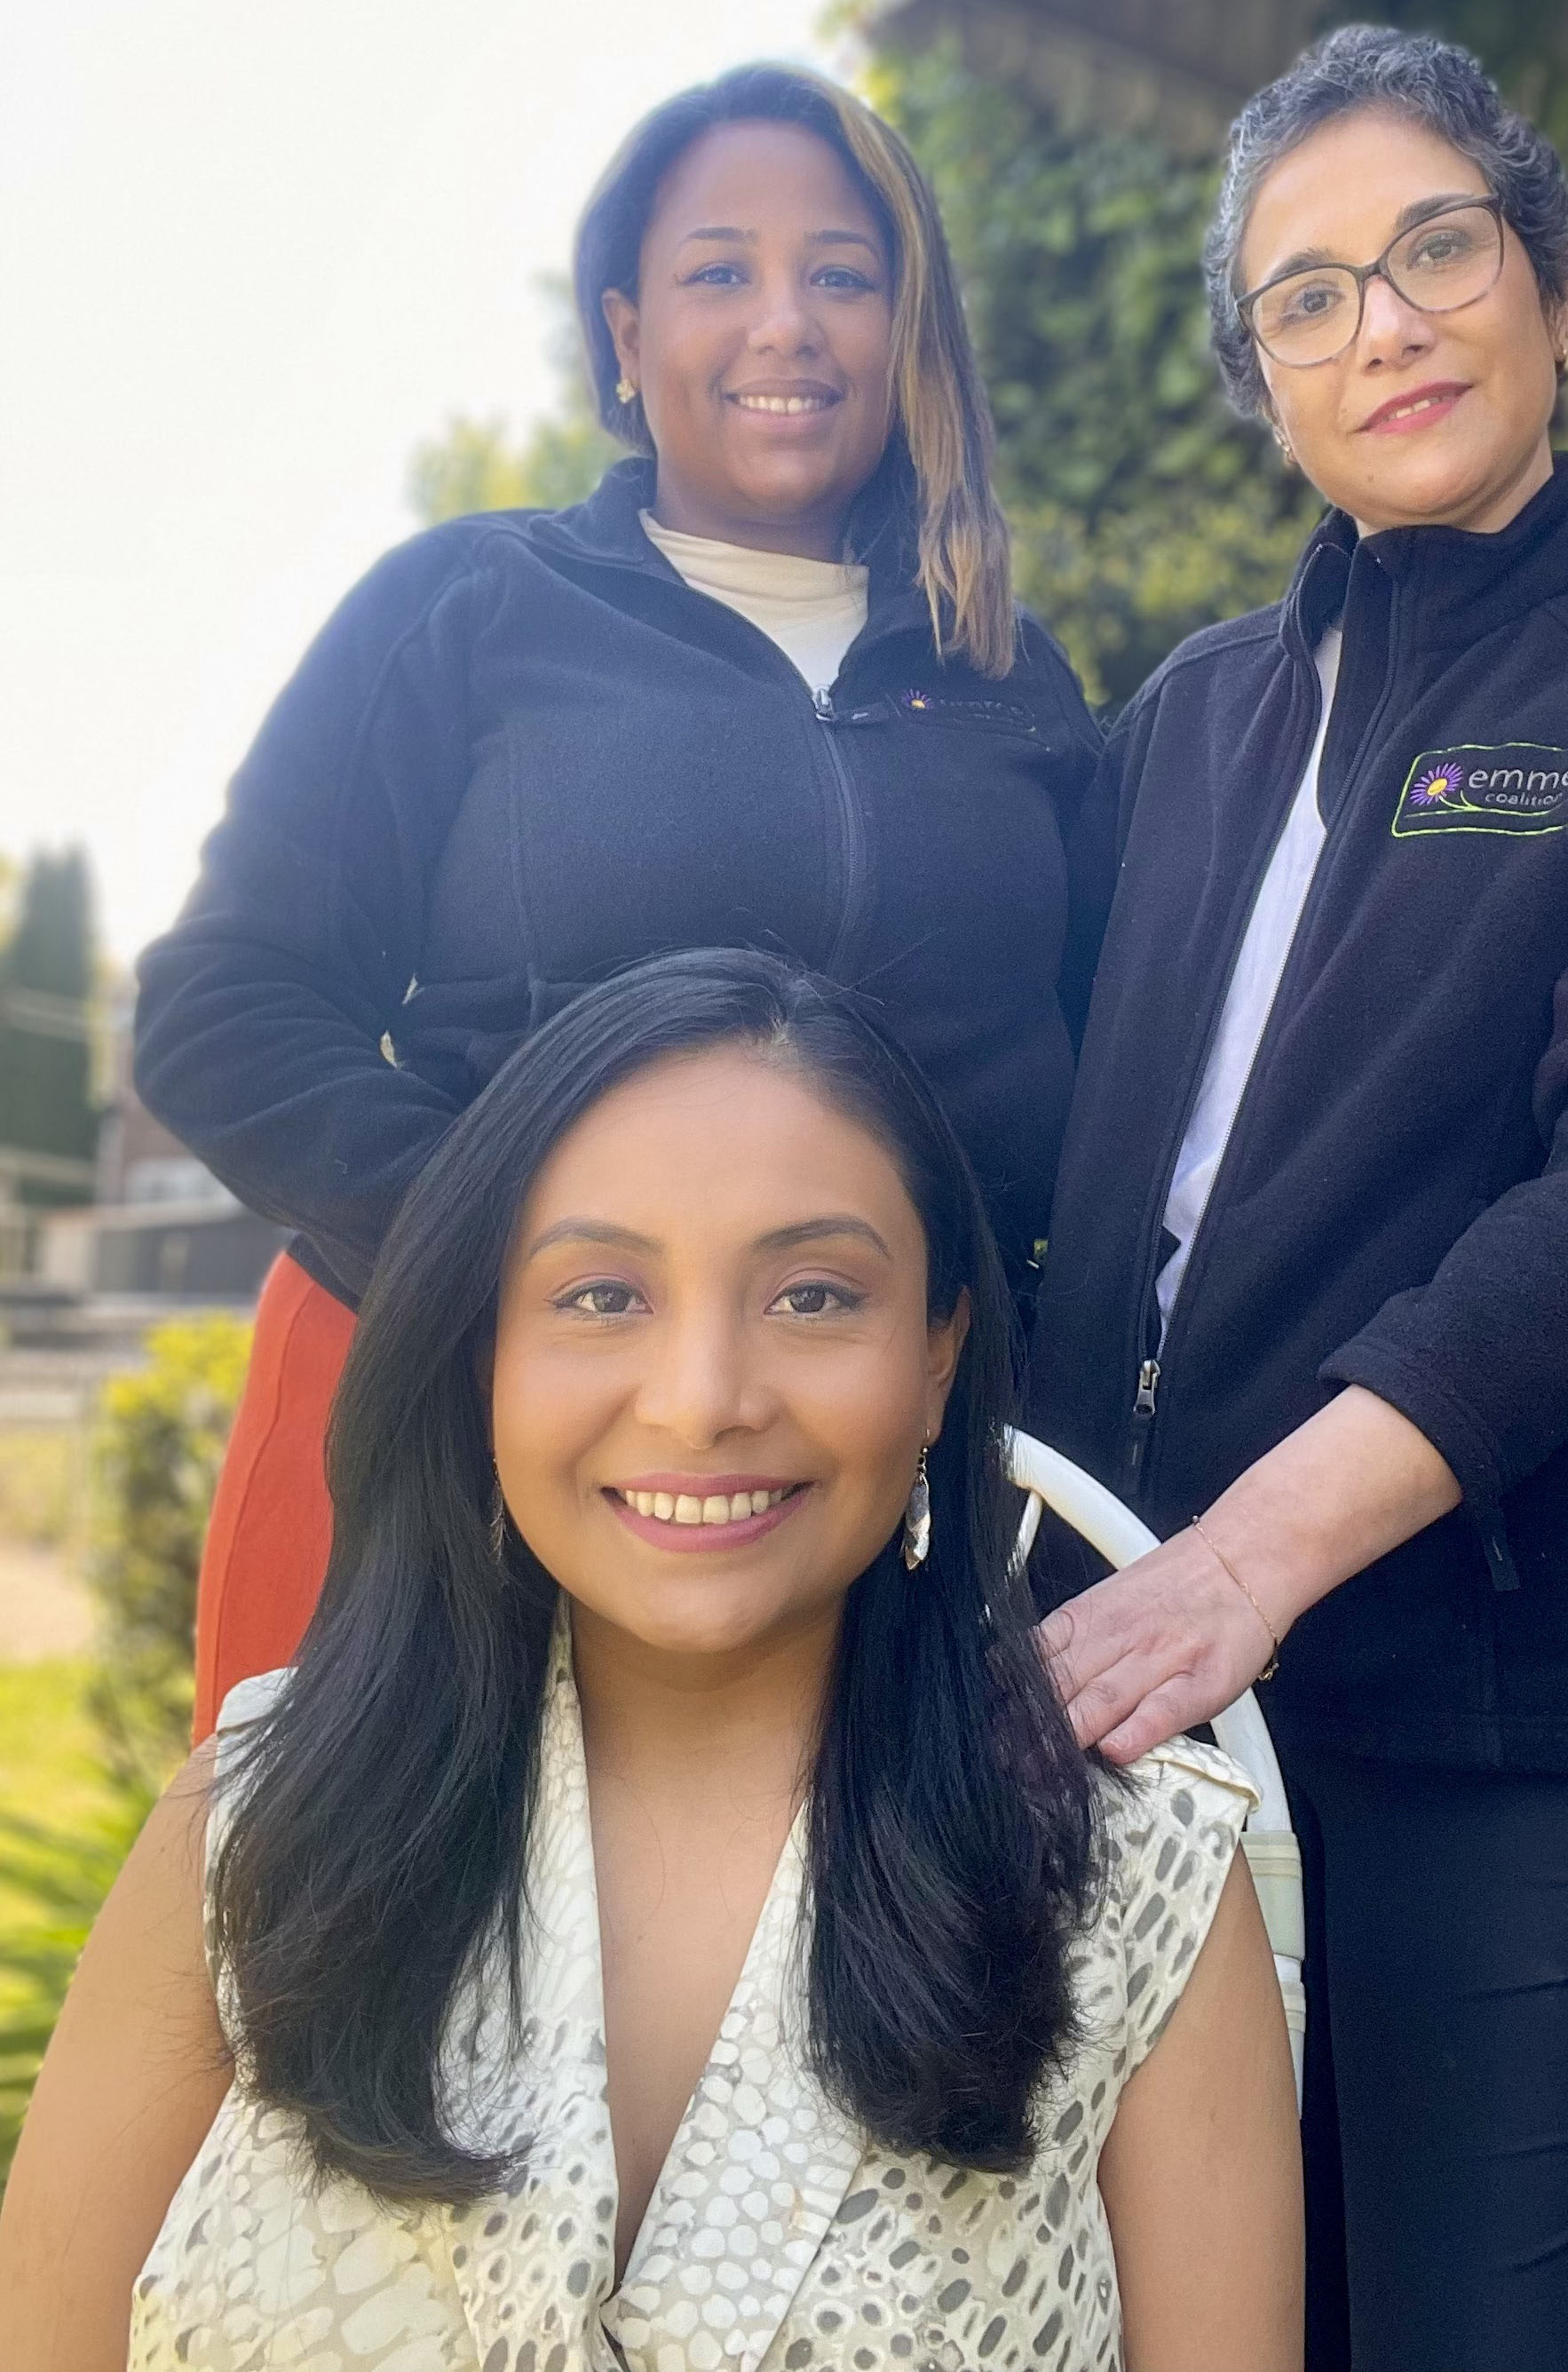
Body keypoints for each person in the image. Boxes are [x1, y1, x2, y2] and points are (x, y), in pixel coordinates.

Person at [1025, 26, 1568, 2372]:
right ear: (1263, 383)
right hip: (1146, 1733)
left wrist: (1245, 1560)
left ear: (1552, 286)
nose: (1385, 326)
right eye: (1306, 296)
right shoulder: (1183, 726)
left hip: (1511, 1764)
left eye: (1436, 248)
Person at [1, 950, 1303, 2372]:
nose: (702, 1402)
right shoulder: (254, 1821)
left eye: (814, 1296)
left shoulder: (1142, 1885)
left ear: (940, 1357)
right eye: (602, 1295)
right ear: (484, 1350)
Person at [132, 64, 1103, 1740]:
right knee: (362, 1898)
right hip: (454, 1430)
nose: (785, 321)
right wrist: (528, 1279)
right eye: (721, 270)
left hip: (853, 1486)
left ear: (908, 333)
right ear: (626, 335)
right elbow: (224, 1006)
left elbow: (1075, 1082)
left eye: (843, 274)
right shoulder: (468, 610)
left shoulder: (1013, 680)